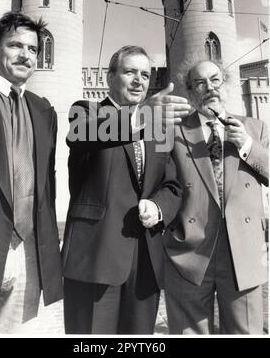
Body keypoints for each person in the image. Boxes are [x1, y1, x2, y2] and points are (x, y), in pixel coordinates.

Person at [62, 45, 191, 334]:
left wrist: (158, 207)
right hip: (96, 259)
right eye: (130, 71)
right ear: (109, 77)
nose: (139, 80)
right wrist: (142, 117)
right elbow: (80, 136)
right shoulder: (85, 111)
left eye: (145, 74)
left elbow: (172, 186)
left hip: (146, 262)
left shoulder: (158, 127)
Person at [0, 12, 63, 334]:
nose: (26, 55)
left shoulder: (44, 110)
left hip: (27, 253)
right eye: (15, 45)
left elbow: (46, 185)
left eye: (33, 49)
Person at [163, 60, 268, 335]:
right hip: (189, 254)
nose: (209, 87)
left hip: (241, 255)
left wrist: (246, 144)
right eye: (199, 82)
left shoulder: (255, 129)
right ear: (190, 90)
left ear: (226, 83)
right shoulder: (173, 131)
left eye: (215, 80)